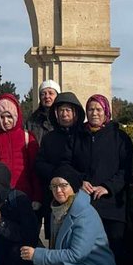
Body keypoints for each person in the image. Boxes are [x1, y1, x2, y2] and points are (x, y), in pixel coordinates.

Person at [63, 95, 133, 265]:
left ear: (106, 112)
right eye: (90, 109)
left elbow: (126, 169)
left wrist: (108, 187)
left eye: (98, 109)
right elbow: (67, 164)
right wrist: (79, 180)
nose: (94, 113)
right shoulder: (77, 136)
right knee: (84, 254)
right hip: (86, 206)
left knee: (116, 254)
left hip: (112, 206)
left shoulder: (119, 137)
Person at [0, 92, 41, 211]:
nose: (6, 121)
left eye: (9, 117)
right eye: (2, 117)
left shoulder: (27, 137)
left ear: (16, 116)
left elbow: (35, 170)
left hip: (24, 195)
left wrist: (37, 197)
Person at [35, 92, 84, 221]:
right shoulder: (49, 138)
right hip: (55, 195)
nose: (64, 113)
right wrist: (58, 175)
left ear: (75, 112)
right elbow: (39, 163)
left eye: (68, 110)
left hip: (80, 193)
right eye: (61, 110)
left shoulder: (84, 136)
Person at [27, 80, 60, 145]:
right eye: (43, 94)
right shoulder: (32, 121)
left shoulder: (63, 118)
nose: (47, 96)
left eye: (51, 93)